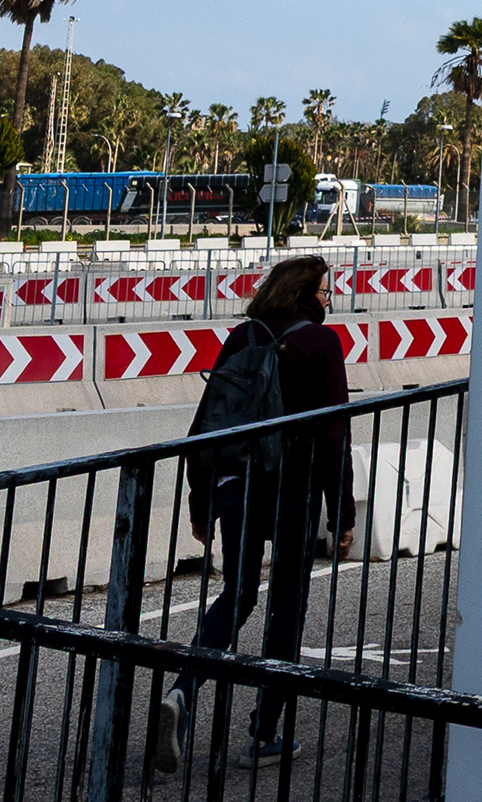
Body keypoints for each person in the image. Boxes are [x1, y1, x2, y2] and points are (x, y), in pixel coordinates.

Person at [151, 254, 351, 770]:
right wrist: (342, 513)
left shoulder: (244, 337)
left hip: (235, 485)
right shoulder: (321, 343)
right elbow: (334, 434)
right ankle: (262, 736)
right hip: (292, 489)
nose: (329, 300)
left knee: (237, 593)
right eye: (326, 291)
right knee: (287, 606)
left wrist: (201, 503)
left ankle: (182, 691)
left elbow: (206, 424)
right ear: (306, 294)